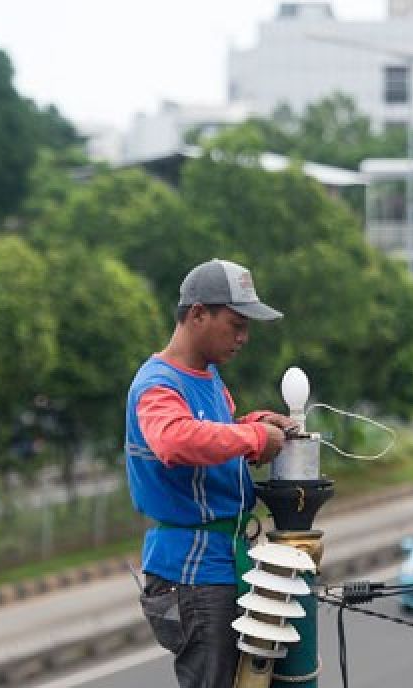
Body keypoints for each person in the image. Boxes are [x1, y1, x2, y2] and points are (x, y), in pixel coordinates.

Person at [126, 258, 299, 688]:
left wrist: (251, 425)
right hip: (192, 573)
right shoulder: (158, 384)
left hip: (222, 563)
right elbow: (175, 440)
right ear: (198, 313)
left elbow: (212, 436)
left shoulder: (208, 376)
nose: (243, 337)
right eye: (235, 323)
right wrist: (253, 440)